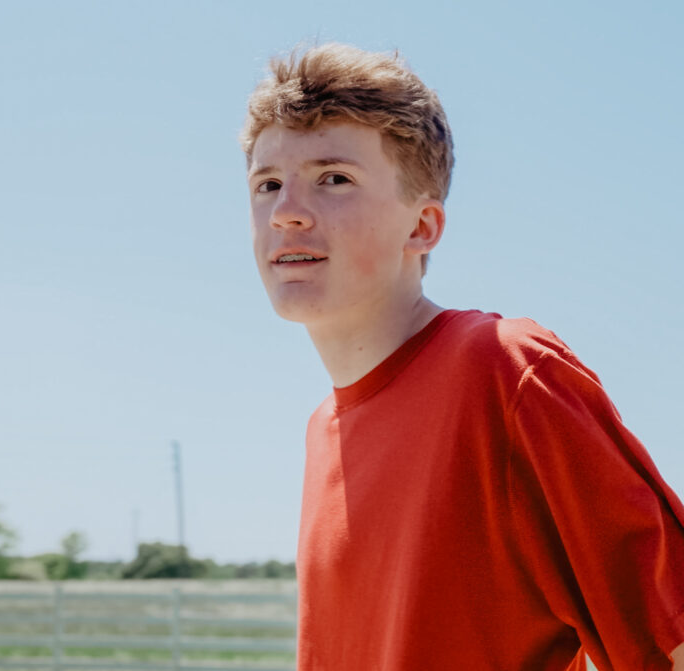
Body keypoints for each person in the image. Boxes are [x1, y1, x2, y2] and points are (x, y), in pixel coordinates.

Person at [240, 43, 684, 671]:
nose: (286, 214)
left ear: (422, 227)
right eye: (268, 185)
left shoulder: (506, 371)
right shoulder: (323, 429)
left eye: (333, 178)